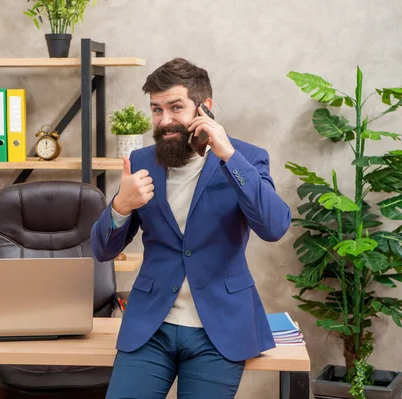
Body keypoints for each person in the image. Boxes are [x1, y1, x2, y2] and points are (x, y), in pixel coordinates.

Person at [90, 58, 291, 399]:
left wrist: (227, 155)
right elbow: (102, 250)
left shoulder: (246, 157)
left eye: (176, 107)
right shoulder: (141, 162)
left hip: (219, 330)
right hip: (151, 327)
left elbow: (274, 226)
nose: (164, 120)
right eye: (156, 109)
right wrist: (121, 206)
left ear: (205, 108)